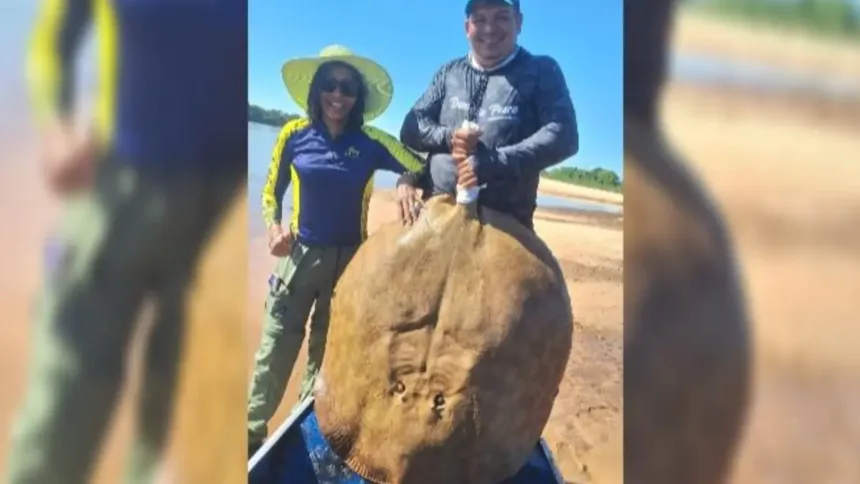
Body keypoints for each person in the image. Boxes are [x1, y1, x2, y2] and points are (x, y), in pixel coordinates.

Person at [4, 1, 246, 483]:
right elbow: (54, 35)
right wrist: (54, 126)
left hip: (225, 212)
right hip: (122, 190)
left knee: (184, 423)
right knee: (64, 402)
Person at [246, 45, 425, 457]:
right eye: (330, 85)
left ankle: (299, 431)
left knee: (327, 357)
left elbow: (420, 165)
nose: (338, 95)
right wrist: (273, 228)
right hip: (298, 257)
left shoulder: (371, 142)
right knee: (275, 347)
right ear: (317, 89)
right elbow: (271, 191)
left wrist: (405, 180)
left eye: (347, 88)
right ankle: (251, 434)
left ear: (358, 97)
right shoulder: (293, 134)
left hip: (350, 266)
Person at [400, 0, 579, 230]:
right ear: (467, 28)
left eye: (502, 17)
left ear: (519, 22)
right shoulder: (448, 73)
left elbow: (564, 135)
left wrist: (492, 163)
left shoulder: (541, 70)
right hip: (435, 210)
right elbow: (410, 128)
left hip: (505, 223)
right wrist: (449, 137)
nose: (489, 28)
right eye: (480, 19)